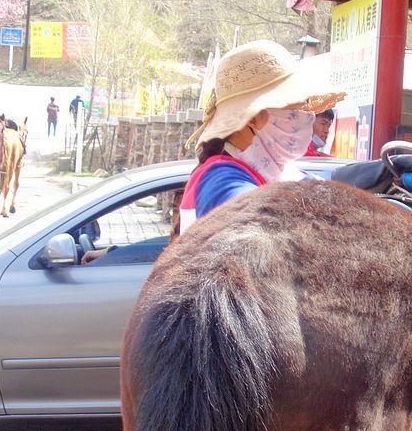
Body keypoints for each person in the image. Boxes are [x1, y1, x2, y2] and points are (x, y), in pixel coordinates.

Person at [81, 40, 343, 264]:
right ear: (254, 117)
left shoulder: (278, 173)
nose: (306, 118)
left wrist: (118, 254)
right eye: (294, 108)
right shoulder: (222, 179)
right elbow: (257, 233)